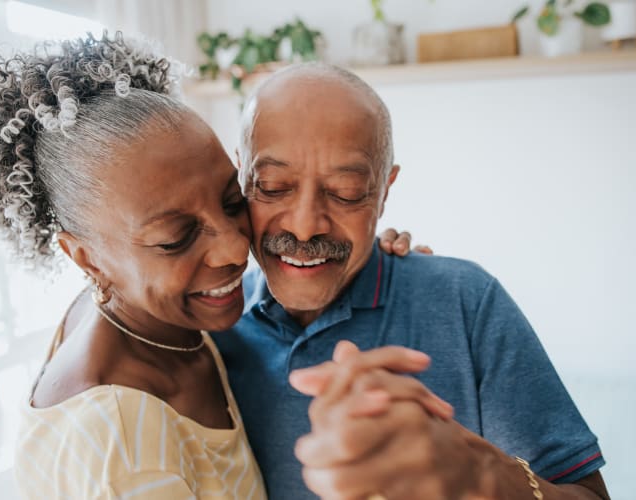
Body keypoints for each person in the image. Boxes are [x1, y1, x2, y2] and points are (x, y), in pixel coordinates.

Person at [0, 33, 442, 499]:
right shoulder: (120, 448)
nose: (233, 250)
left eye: (232, 201)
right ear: (86, 257)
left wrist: (357, 249)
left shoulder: (158, 315)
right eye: (175, 238)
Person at [212, 62, 611, 499]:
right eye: (271, 186)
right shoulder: (210, 332)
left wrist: (479, 471)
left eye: (345, 193)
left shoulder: (465, 302)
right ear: (241, 176)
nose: (306, 227)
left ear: (384, 191)